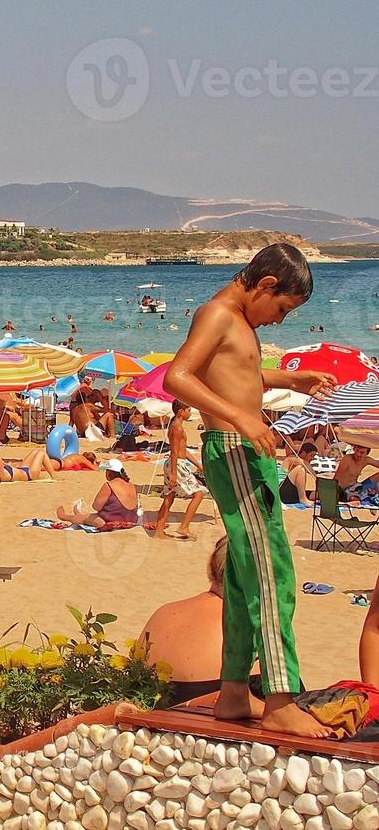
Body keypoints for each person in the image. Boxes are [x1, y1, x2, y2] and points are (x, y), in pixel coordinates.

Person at [164, 243, 337, 736]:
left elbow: (235, 375)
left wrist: (289, 378)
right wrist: (241, 417)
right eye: (282, 308)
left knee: (242, 578)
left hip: (241, 449)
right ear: (265, 285)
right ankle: (281, 698)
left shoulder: (238, 321)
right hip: (233, 449)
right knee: (272, 573)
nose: (280, 321)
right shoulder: (217, 313)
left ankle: (236, 692)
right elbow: (177, 377)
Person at [141, 539, 263, 712]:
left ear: (210, 566)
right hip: (204, 728)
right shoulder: (244, 629)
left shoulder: (162, 613)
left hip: (146, 728)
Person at [150, 401, 208, 541]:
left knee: (169, 497)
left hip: (176, 463)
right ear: (181, 411)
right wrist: (174, 473)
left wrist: (198, 465)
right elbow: (175, 451)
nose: (190, 412)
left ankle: (159, 531)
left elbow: (183, 450)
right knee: (199, 493)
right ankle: (184, 526)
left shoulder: (177, 426)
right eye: (188, 409)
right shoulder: (177, 428)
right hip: (177, 465)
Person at [56, 459, 141, 527]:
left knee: (87, 518)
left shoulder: (109, 485)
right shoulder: (131, 485)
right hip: (132, 521)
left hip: (111, 522)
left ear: (108, 472)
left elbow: (96, 506)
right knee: (88, 516)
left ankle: (64, 516)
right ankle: (78, 514)